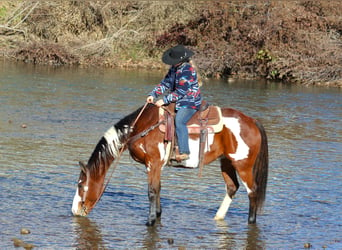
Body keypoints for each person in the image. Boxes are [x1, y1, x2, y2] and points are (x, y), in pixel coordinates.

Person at [146, 45, 202, 160]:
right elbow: (165, 84)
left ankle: (184, 151)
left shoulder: (187, 70)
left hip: (189, 101)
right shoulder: (173, 69)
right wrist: (153, 94)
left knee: (180, 121)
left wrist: (164, 100)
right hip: (176, 100)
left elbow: (181, 91)